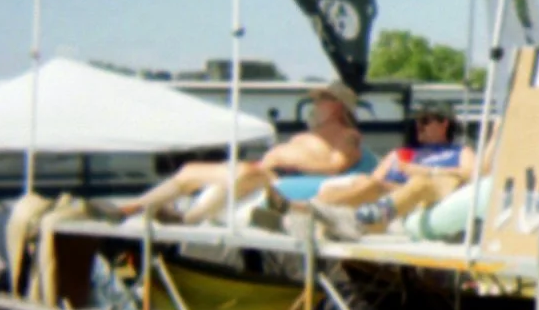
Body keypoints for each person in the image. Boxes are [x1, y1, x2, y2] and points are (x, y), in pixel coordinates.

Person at [119, 80, 370, 223]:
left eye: (320, 100)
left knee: (244, 172)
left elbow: (337, 165)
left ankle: (189, 218)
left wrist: (287, 159)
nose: (314, 105)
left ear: (337, 106)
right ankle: (134, 207)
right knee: (190, 169)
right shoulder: (310, 132)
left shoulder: (347, 135)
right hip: (267, 169)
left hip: (282, 177)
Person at [300, 104, 478, 241]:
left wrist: (423, 170)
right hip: (386, 194)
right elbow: (373, 179)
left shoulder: (460, 152)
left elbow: (471, 174)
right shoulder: (405, 153)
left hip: (418, 199)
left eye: (425, 121)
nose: (419, 127)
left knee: (372, 184)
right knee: (359, 181)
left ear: (444, 123)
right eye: (417, 122)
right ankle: (305, 211)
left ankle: (313, 212)